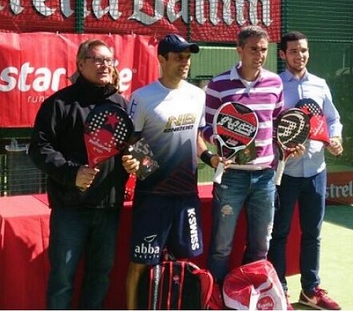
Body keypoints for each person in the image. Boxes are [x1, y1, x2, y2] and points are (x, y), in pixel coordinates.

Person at [29, 39, 131, 309]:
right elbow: (39, 148)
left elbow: (133, 147)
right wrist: (72, 173)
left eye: (109, 60)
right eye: (98, 59)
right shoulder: (59, 104)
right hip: (69, 209)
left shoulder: (122, 104)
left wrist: (137, 163)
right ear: (81, 64)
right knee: (62, 279)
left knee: (100, 277)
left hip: (108, 208)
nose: (105, 65)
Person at [121, 34, 221, 310]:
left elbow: (197, 138)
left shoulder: (197, 94)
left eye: (187, 57)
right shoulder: (142, 98)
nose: (184, 63)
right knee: (141, 262)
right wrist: (143, 167)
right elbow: (130, 143)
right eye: (178, 57)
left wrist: (211, 158)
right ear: (162, 59)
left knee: (186, 259)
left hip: (186, 196)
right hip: (152, 196)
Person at [201, 25, 295, 309]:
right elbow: (206, 127)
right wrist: (224, 144)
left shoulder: (274, 83)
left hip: (266, 177)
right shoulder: (218, 85)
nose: (260, 55)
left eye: (264, 49)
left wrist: (287, 142)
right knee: (221, 247)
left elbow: (278, 122)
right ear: (239, 50)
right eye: (253, 49)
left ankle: (250, 300)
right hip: (231, 177)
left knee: (259, 247)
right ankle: (216, 300)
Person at [268, 31, 343, 310]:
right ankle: (280, 291)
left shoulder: (320, 85)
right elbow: (270, 124)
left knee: (313, 233)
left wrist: (334, 138)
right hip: (284, 173)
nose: (300, 56)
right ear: (283, 54)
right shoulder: (274, 85)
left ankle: (310, 291)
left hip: (316, 171)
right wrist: (282, 145)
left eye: (304, 51)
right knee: (280, 232)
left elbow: (332, 119)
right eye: (294, 51)